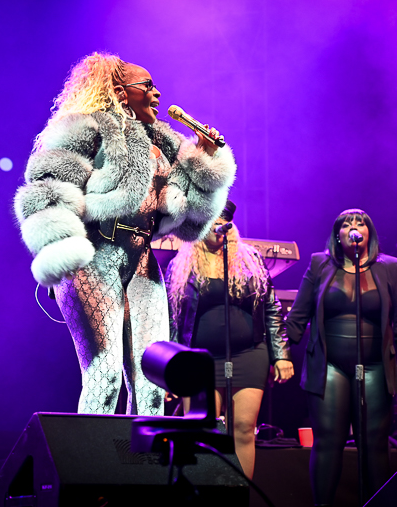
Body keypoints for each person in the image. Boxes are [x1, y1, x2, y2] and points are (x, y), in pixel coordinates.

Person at [14, 52, 236, 416]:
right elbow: (47, 186)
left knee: (154, 383)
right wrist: (60, 246)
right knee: (104, 378)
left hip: (142, 258)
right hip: (94, 257)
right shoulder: (88, 127)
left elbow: (190, 222)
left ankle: (142, 456)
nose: (157, 93)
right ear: (120, 91)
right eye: (147, 85)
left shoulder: (165, 144)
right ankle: (89, 456)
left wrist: (204, 158)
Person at [285, 209, 397, 505]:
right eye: (346, 224)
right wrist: (280, 355)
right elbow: (298, 316)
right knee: (328, 442)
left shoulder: (390, 267)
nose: (354, 227)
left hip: (375, 366)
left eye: (360, 223)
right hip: (329, 366)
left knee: (374, 445)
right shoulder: (320, 264)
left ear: (369, 233)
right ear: (337, 235)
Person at [166, 200, 294, 479]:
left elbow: (271, 308)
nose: (218, 227)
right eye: (212, 221)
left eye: (223, 222)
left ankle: (239, 495)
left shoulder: (251, 260)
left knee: (244, 429)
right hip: (199, 360)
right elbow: (173, 319)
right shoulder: (181, 264)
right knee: (202, 429)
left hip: (249, 355)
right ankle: (204, 494)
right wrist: (172, 369)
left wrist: (281, 355)